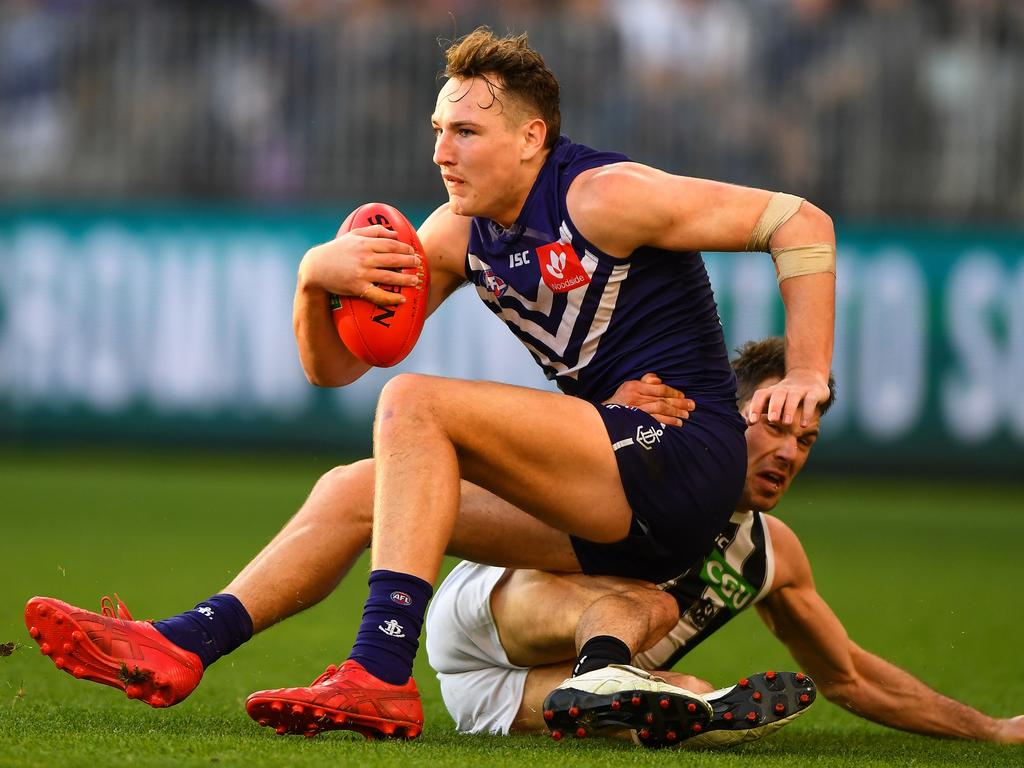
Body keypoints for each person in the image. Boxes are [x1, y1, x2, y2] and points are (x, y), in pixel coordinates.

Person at [24, 28, 836, 740]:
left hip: (685, 462)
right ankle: (183, 644)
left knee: (417, 404)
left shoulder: (603, 196)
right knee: (355, 489)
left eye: (467, 132)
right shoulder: (454, 233)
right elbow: (337, 367)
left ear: (531, 138)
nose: (442, 151)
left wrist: (804, 372)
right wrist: (314, 282)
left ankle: (378, 671)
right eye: (439, 130)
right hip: (611, 493)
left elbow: (800, 222)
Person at [425, 337, 1024, 747]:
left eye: (806, 440)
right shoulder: (648, 450)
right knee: (649, 606)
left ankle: (628, 693)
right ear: (727, 414)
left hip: (489, 698)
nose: (789, 452)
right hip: (494, 613)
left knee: (689, 699)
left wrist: (993, 730)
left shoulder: (771, 554)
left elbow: (849, 677)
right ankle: (608, 671)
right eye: (774, 425)